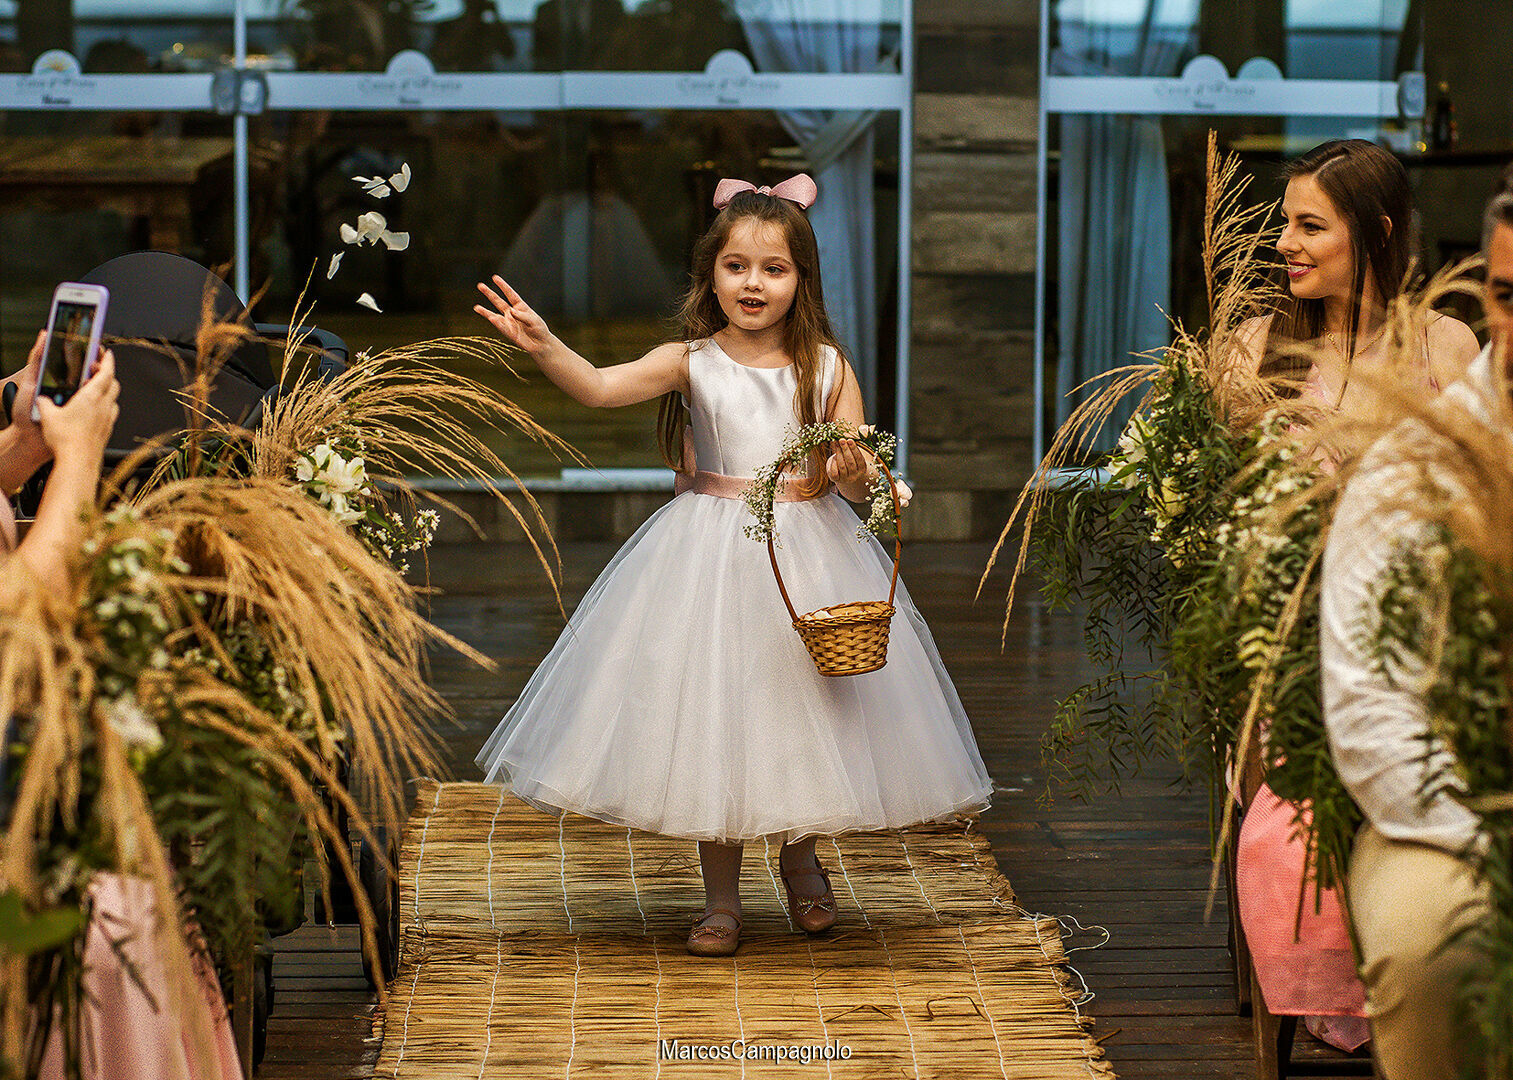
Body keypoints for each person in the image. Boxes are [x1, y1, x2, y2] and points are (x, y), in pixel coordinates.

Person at [472, 174, 994, 956]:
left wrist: (855, 468)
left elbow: (852, 475)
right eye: (737, 267)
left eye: (773, 269)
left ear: (800, 278)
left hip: (807, 553)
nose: (753, 283)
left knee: (810, 713)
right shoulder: (691, 361)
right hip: (708, 558)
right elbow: (602, 387)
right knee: (716, 720)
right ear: (710, 274)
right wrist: (548, 346)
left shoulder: (823, 367)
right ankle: (721, 897)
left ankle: (803, 861)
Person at [1229, 139, 1480, 1053]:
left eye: (1308, 226)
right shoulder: (1259, 346)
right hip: (1291, 627)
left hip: (1419, 621)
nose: (1285, 244)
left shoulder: (1445, 346)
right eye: (1283, 223)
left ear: (1373, 233)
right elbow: (1221, 496)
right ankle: (1342, 977)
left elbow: (1477, 489)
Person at [1318, 165, 1513, 1079]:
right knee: (1431, 938)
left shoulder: (1437, 342)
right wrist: (1482, 835)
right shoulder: (1418, 464)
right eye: (1507, 297)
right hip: (1451, 806)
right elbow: (1367, 704)